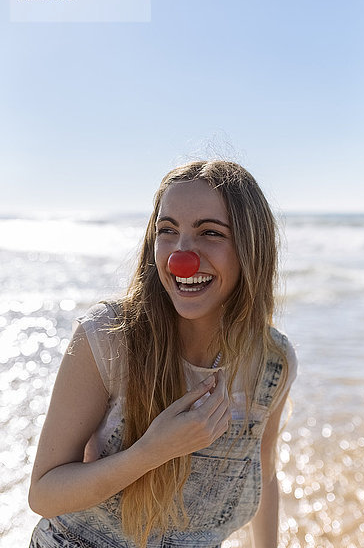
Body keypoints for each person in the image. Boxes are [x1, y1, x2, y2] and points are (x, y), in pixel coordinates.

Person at [28, 160, 298, 548]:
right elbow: (43, 494)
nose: (180, 257)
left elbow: (264, 472)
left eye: (210, 233)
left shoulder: (274, 363)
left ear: (251, 249)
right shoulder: (108, 338)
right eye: (167, 231)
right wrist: (150, 452)